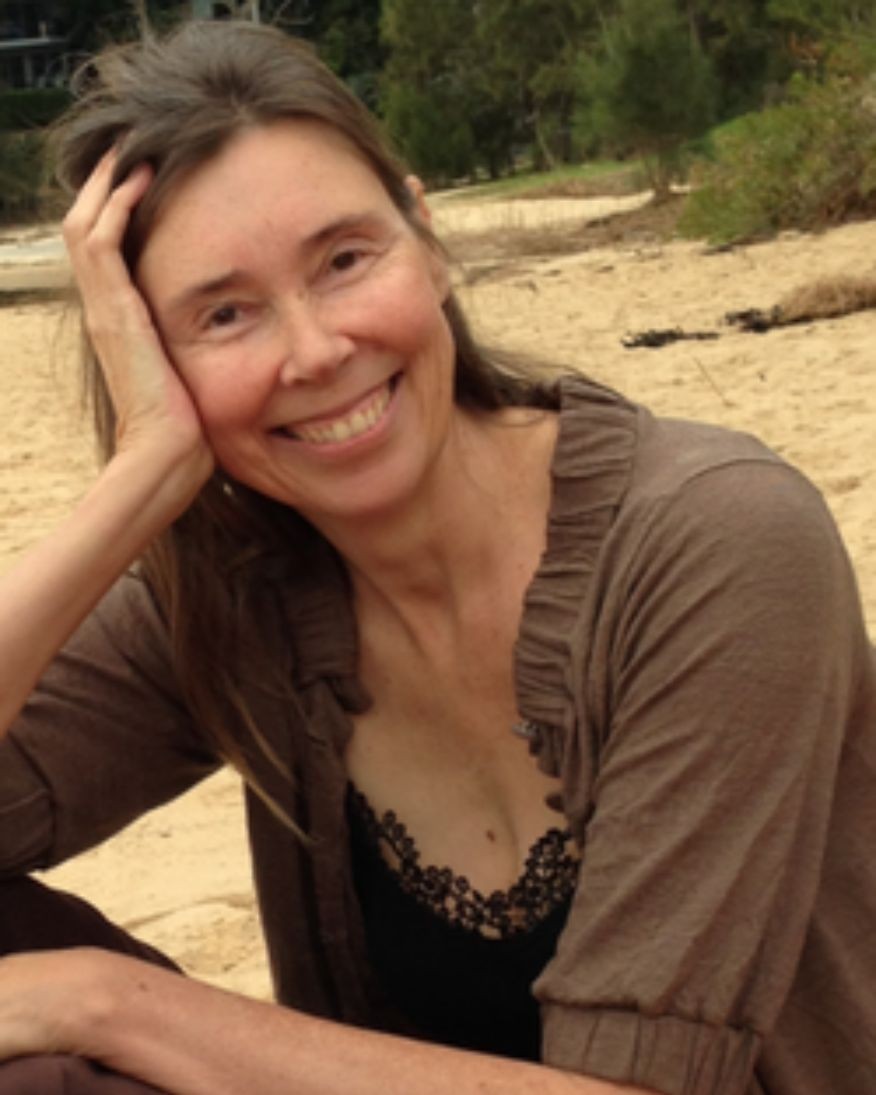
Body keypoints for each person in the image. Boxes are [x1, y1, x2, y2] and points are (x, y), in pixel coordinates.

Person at [0, 18, 873, 1095]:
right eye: (224, 314)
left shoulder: (715, 541)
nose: (316, 351)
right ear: (149, 359)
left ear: (429, 233)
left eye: (346, 260)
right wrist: (135, 485)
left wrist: (112, 1004)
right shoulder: (246, 587)